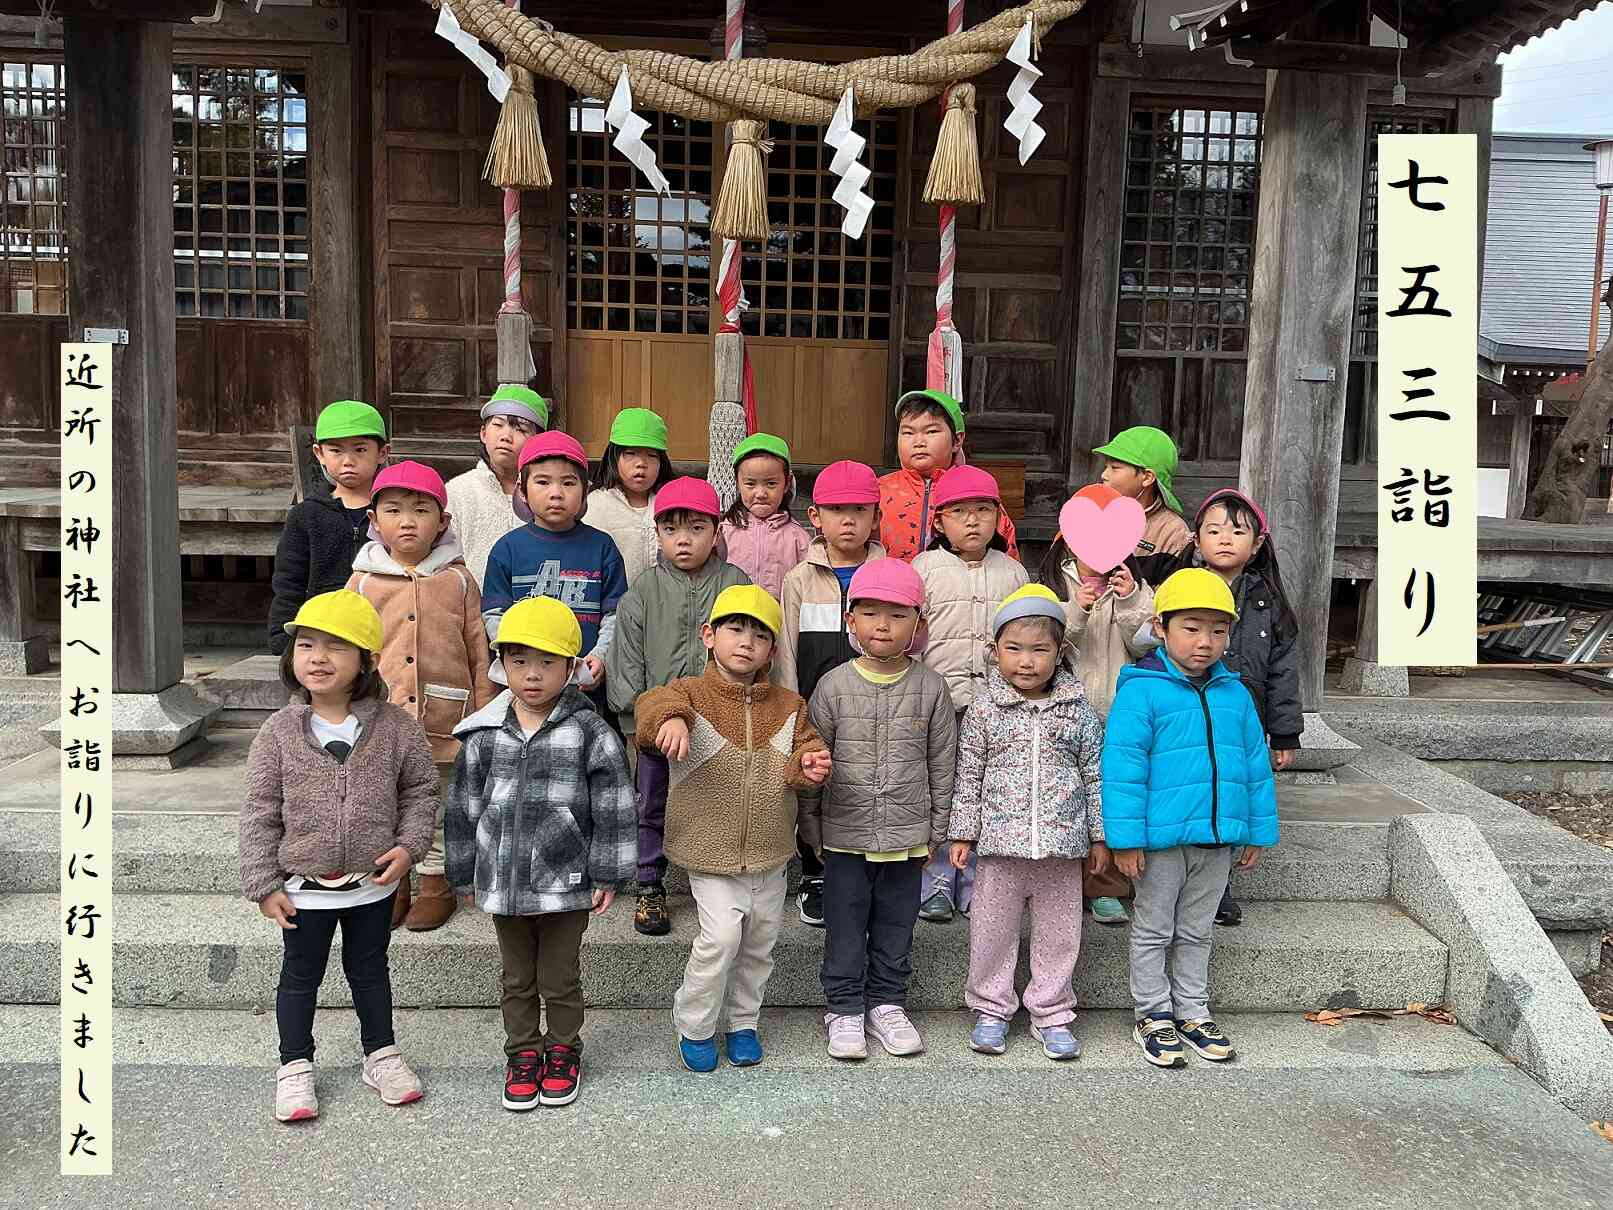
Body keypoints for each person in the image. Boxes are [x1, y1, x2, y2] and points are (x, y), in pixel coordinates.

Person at [239, 590, 437, 1123]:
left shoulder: (396, 728)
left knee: (370, 968)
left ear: (366, 661)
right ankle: (295, 1065)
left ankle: (381, 1053)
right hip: (303, 885)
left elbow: (421, 791)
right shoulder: (278, 732)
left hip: (373, 882)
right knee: (300, 975)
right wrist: (263, 883)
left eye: (335, 647)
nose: (318, 657)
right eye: (307, 645)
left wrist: (410, 846)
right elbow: (260, 809)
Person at [444, 596, 635, 1110]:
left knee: (560, 975)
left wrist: (609, 872)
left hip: (565, 878)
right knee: (516, 976)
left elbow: (614, 804)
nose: (532, 674)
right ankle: (523, 1052)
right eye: (520, 660)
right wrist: (462, 873)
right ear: (501, 663)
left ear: (572, 668)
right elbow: (463, 806)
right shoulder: (484, 731)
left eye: (548, 662)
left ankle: (564, 1049)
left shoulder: (588, 731)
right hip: (503, 878)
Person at [634, 586, 831, 1071]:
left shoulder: (789, 704)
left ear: (771, 649)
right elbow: (649, 708)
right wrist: (672, 721)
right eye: (735, 629)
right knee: (721, 938)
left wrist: (809, 765)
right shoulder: (688, 695)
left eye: (760, 635)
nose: (747, 642)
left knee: (760, 944)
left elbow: (802, 757)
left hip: (770, 850)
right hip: (710, 851)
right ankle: (696, 1025)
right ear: (709, 636)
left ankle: (744, 1023)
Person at [1102, 568, 1279, 1069]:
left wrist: (1255, 830)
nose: (1205, 642)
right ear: (1160, 628)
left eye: (1218, 630)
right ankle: (1153, 1014)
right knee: (1155, 928)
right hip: (1159, 843)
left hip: (1217, 838)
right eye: (1191, 628)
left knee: (1198, 929)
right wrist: (1125, 840)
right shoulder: (1141, 692)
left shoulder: (1236, 694)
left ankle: (1193, 1010)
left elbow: (1253, 768)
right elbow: (1121, 770)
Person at [801, 559, 956, 1061]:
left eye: (897, 615)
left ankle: (887, 1002)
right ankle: (844, 1008)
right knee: (846, 920)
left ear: (919, 625)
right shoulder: (833, 686)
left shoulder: (930, 686)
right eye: (870, 614)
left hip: (909, 834)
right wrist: (813, 825)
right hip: (845, 833)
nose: (882, 625)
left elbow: (942, 759)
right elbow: (813, 756)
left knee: (895, 921)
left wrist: (938, 827)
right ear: (851, 622)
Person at [948, 585, 1106, 1060]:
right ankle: (992, 1008)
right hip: (999, 846)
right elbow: (969, 772)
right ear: (994, 651)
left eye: (1040, 649)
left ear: (1060, 653)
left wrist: (1099, 836)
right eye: (1014, 648)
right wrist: (962, 832)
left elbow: (1095, 774)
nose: (1026, 660)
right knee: (992, 930)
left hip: (1062, 847)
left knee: (1060, 935)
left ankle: (1051, 1010)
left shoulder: (1077, 709)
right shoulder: (984, 710)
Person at [347, 460, 496, 932]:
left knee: (433, 803)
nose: (407, 521)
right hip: (380, 718)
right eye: (393, 510)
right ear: (375, 521)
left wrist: (485, 712)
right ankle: (393, 884)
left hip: (444, 717)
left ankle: (436, 884)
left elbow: (479, 651)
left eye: (421, 510)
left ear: (443, 522)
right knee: (384, 803)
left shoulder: (458, 580)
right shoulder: (363, 582)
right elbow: (345, 651)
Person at [604, 476, 751, 937]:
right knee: (652, 802)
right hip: (658, 720)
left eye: (696, 528)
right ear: (657, 533)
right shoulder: (644, 590)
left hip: (719, 717)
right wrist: (635, 717)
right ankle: (650, 882)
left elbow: (752, 643)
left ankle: (721, 879)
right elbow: (626, 657)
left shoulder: (734, 584)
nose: (683, 540)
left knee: (719, 799)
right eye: (671, 529)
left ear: (717, 531)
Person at [1169, 486, 1303, 927]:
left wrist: (1284, 732)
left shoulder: (1267, 600)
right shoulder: (1178, 590)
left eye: (1238, 531)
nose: (1225, 539)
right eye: (1214, 530)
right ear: (1196, 539)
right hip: (1188, 714)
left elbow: (1284, 671)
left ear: (1258, 544)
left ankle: (1218, 888)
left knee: (1230, 799)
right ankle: (1174, 883)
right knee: (1191, 793)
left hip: (1243, 719)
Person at [911, 464, 1028, 924]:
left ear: (998, 518)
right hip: (941, 702)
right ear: (939, 521)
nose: (973, 521)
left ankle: (979, 881)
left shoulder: (1014, 573)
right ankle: (938, 878)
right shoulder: (924, 569)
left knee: (986, 792)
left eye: (983, 511)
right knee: (942, 791)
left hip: (997, 706)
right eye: (960, 513)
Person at [774, 459, 887, 928]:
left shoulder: (889, 572)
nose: (848, 521)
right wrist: (788, 704)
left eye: (859, 510)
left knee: (867, 782)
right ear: (815, 517)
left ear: (875, 517)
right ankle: (815, 871)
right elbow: (786, 649)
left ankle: (867, 868)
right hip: (814, 704)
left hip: (876, 702)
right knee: (814, 784)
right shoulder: (801, 578)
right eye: (836, 510)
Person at [1038, 494, 1159, 927]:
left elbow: (1147, 642)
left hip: (1119, 710)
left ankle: (1106, 886)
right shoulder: (1056, 581)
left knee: (1111, 797)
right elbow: (1049, 638)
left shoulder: (1134, 586)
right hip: (1067, 708)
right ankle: (1062, 880)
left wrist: (1129, 603)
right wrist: (1079, 607)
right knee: (1065, 795)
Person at [481, 431, 628, 720]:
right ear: (522, 490)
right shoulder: (507, 549)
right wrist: (516, 663)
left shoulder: (602, 547)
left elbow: (616, 615)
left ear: (585, 490)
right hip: (527, 689)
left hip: (587, 688)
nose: (556, 493)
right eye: (543, 482)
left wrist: (600, 656)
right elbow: (495, 615)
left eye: (569, 483)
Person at [268, 400, 390, 654]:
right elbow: (289, 581)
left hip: (385, 635)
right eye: (336, 451)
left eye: (360, 450)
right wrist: (282, 637)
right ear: (319, 453)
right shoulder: (307, 516)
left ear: (382, 452)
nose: (348, 461)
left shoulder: (392, 514)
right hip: (324, 635)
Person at [878, 389, 1017, 562]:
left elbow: (1006, 559)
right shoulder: (878, 491)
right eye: (908, 433)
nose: (918, 442)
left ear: (957, 440)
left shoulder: (976, 493)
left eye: (931, 432)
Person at [444, 384, 548, 587]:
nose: (506, 436)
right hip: (474, 607)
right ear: (483, 433)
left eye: (520, 429)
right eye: (498, 425)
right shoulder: (459, 491)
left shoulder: (549, 492)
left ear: (538, 440)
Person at [1090, 425, 1192, 587]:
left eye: (1114, 468)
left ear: (1147, 477)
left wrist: (1133, 595)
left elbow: (1170, 596)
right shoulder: (1091, 514)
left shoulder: (1173, 533)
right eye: (1105, 467)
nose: (1104, 475)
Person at [586, 407, 677, 590]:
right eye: (630, 454)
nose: (641, 464)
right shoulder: (596, 505)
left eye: (651, 456)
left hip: (666, 604)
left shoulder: (672, 504)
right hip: (613, 606)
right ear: (614, 456)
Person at [719, 432, 810, 599]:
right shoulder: (724, 532)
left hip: (778, 621)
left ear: (786, 483)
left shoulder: (797, 537)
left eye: (771, 483)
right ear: (738, 483)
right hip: (734, 620)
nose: (760, 493)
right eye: (750, 484)